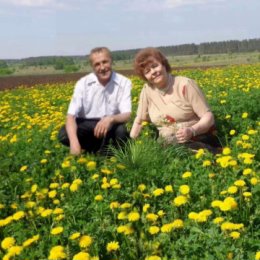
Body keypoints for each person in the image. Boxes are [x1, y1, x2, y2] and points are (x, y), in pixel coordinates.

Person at [130, 47, 221, 154]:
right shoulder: (147, 90)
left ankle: (214, 153)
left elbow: (208, 117)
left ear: (164, 64)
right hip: (166, 144)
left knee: (178, 151)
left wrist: (192, 130)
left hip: (196, 138)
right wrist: (132, 147)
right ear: (145, 76)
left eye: (155, 66)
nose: (153, 72)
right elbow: (139, 121)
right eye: (147, 71)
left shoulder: (185, 84)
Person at [59, 47, 132, 155]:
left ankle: (112, 155)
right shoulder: (82, 83)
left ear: (111, 61)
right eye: (97, 64)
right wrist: (74, 143)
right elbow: (71, 116)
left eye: (105, 62)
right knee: (64, 134)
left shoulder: (124, 82)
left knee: (122, 131)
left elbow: (127, 114)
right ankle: (94, 149)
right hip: (88, 125)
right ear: (92, 67)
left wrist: (110, 119)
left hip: (111, 125)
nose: (102, 67)